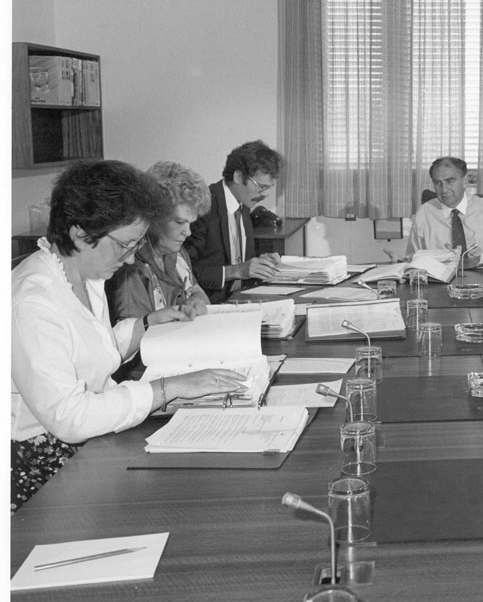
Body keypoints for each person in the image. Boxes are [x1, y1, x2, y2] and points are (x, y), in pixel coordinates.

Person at [11, 160, 246, 511]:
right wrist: (169, 388)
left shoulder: (84, 273)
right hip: (40, 465)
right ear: (79, 233)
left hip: (83, 440)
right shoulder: (32, 301)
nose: (132, 255)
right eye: (125, 245)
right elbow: (70, 419)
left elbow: (90, 351)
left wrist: (147, 324)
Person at [107, 161, 213, 379]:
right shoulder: (131, 267)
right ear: (153, 217)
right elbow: (135, 347)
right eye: (180, 222)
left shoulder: (177, 253)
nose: (188, 232)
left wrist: (195, 302)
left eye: (191, 223)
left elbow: (197, 291)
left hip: (184, 358)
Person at [185, 140, 285, 303]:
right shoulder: (204, 209)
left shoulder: (243, 204)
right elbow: (183, 272)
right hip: (211, 304)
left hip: (241, 299)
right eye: (262, 187)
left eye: (269, 187)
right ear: (238, 177)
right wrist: (235, 271)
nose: (266, 195)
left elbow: (238, 258)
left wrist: (261, 262)